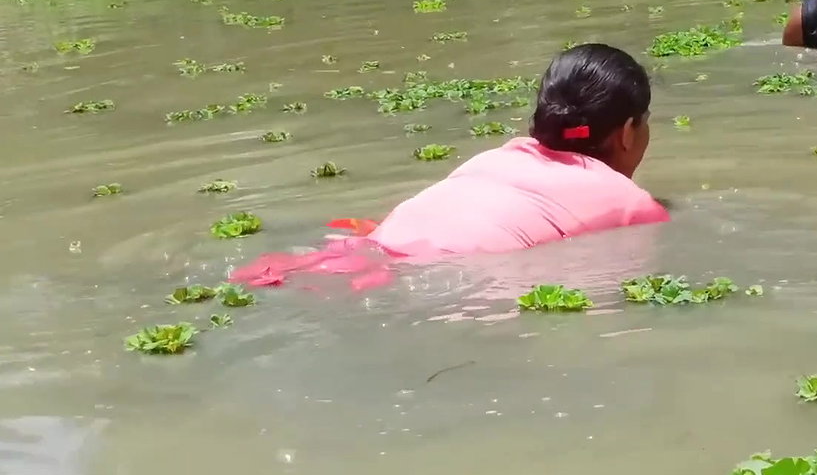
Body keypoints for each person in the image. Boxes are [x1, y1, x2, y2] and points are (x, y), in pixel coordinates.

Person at [228, 43, 669, 290]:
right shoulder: (630, 203)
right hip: (452, 282)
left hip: (376, 250)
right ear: (629, 132)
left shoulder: (497, 158)